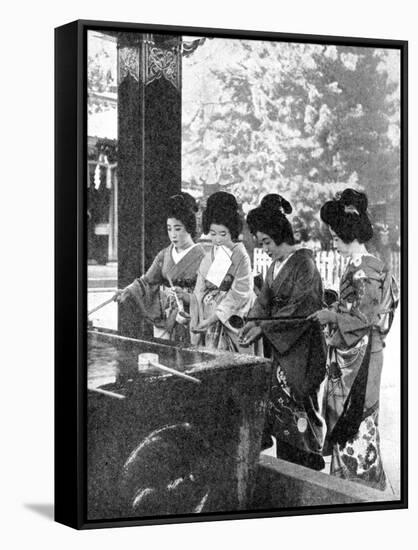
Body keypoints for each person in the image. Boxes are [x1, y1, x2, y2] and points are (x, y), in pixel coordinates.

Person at [308, 189, 399, 490]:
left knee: (357, 419)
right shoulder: (361, 265)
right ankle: (346, 482)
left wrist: (333, 317)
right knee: (350, 419)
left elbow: (366, 318)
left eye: (335, 237)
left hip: (362, 356)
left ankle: (361, 486)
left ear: (348, 234)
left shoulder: (367, 269)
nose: (333, 243)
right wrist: (335, 309)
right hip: (353, 352)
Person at [240, 194, 326, 470]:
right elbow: (263, 302)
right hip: (280, 347)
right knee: (281, 410)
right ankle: (289, 468)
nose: (264, 249)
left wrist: (264, 326)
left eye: (266, 242)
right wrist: (253, 322)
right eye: (260, 243)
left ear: (280, 235)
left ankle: (308, 467)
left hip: (301, 347)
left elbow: (302, 310)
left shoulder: (305, 265)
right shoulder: (274, 268)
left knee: (299, 405)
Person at [115, 192, 205, 343]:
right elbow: (146, 281)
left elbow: (208, 295)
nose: (173, 235)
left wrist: (188, 297)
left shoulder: (203, 257)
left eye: (178, 229)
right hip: (165, 317)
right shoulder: (164, 254)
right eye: (169, 229)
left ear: (189, 228)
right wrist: (127, 291)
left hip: (190, 318)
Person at [190, 191, 256, 353]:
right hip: (207, 319)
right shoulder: (210, 254)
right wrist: (196, 318)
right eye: (213, 234)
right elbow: (199, 291)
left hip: (231, 320)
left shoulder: (240, 254)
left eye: (222, 234)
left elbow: (240, 294)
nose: (217, 239)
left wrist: (212, 318)